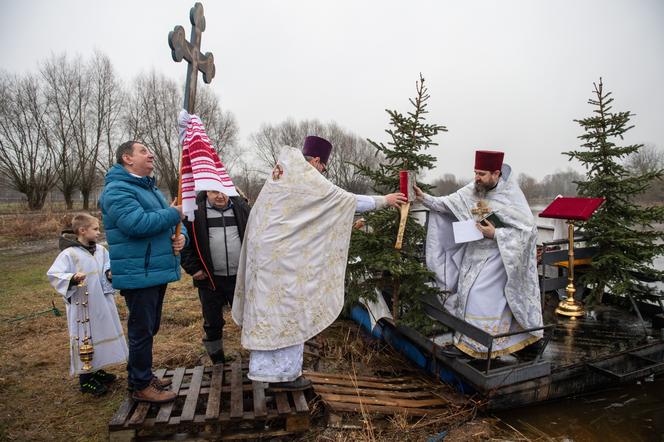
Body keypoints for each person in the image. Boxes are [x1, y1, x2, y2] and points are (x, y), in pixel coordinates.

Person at [232, 135, 406, 390]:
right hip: (285, 264)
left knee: (270, 313)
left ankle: (265, 371)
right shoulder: (306, 177)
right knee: (290, 312)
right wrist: (384, 201)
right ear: (315, 160)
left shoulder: (282, 175)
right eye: (324, 165)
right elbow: (346, 200)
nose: (324, 170)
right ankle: (284, 376)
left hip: (268, 260)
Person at [414, 150, 543, 358]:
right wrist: (424, 198)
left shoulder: (511, 195)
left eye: (482, 173)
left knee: (478, 297)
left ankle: (479, 346)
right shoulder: (473, 189)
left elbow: (528, 232)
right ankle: (468, 343)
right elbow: (446, 204)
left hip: (498, 259)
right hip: (473, 255)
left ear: (496, 173)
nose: (477, 178)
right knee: (466, 295)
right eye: (475, 172)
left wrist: (496, 234)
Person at [99, 140, 187, 403]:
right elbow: (136, 224)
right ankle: (140, 385)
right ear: (127, 158)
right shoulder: (117, 190)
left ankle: (143, 375)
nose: (151, 154)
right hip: (139, 272)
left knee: (149, 328)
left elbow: (166, 224)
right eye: (143, 151)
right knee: (141, 330)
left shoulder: (149, 188)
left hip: (153, 270)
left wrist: (181, 239)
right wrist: (175, 214)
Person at [47, 213, 129, 396]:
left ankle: (96, 368)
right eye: (95, 229)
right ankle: (85, 380)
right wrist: (72, 278)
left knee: (100, 333)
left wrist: (109, 273)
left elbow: (108, 266)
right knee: (85, 336)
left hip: (102, 302)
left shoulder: (101, 250)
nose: (99, 232)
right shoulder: (69, 254)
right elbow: (54, 274)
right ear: (82, 231)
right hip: (82, 307)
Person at [181, 190, 251, 364]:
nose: (220, 196)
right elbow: (183, 242)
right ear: (206, 191)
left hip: (239, 278)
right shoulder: (194, 212)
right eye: (214, 192)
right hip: (209, 279)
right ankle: (217, 361)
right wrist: (193, 268)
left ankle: (256, 359)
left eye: (224, 192)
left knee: (248, 319)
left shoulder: (242, 208)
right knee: (212, 323)